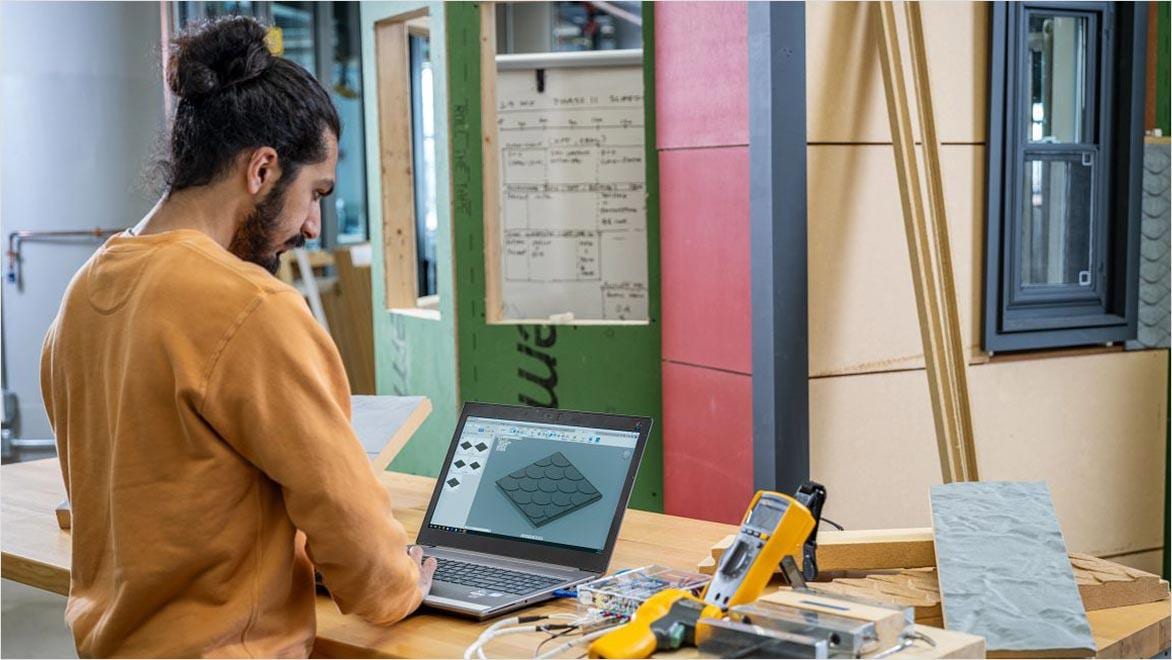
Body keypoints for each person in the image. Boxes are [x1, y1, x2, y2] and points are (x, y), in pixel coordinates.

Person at [39, 15, 435, 657]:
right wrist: (399, 582)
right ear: (262, 169)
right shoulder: (251, 306)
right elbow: (359, 548)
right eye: (316, 194)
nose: (312, 226)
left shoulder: (84, 293)